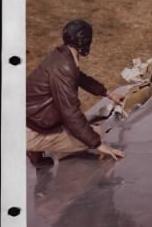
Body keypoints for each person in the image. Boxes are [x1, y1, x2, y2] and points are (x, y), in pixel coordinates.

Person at [26, 20, 125, 168]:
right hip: (34, 130)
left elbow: (80, 78)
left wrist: (108, 93)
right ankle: (36, 146)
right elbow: (70, 112)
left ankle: (37, 150)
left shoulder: (61, 55)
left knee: (82, 127)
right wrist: (97, 144)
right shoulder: (65, 67)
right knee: (97, 132)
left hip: (32, 118)